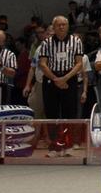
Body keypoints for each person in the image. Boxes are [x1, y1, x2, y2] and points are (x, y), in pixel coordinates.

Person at [33, 15, 86, 157]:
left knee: (70, 113)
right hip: (51, 79)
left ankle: (68, 145)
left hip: (70, 77)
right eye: (58, 25)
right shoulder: (46, 43)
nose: (61, 27)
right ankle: (54, 146)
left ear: (68, 26)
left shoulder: (76, 42)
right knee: (52, 113)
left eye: (64, 24)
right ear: (54, 27)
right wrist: (56, 79)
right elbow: (42, 64)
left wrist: (66, 78)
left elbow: (79, 63)